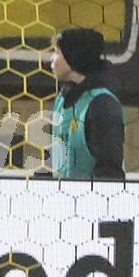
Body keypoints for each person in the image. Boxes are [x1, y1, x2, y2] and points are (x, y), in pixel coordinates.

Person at [48, 28, 125, 181]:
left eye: (57, 52)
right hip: (62, 193)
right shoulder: (62, 99)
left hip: (92, 195)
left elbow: (109, 171)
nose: (51, 58)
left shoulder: (102, 105)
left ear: (73, 57)